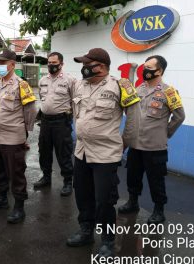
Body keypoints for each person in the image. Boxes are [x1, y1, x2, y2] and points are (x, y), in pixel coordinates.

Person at [66, 48, 140, 257]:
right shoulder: (80, 85)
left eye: (88, 64)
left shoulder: (120, 86)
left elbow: (134, 118)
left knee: (104, 199)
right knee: (82, 193)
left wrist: (123, 144)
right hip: (81, 151)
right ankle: (86, 230)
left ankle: (108, 239)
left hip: (106, 154)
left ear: (102, 66)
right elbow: (77, 115)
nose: (84, 68)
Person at [118, 55, 185, 224]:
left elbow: (179, 116)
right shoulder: (138, 89)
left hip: (155, 147)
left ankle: (158, 210)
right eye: (145, 66)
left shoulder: (168, 92)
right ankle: (133, 202)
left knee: (156, 181)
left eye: (149, 67)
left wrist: (165, 133)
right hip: (136, 145)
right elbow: (131, 114)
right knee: (133, 177)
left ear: (159, 70)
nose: (145, 70)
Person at [0, 49, 37, 224]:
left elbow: (30, 111)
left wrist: (24, 132)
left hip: (13, 137)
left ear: (13, 64)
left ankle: (19, 206)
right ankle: (1, 198)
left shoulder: (21, 85)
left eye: (3, 63)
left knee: (16, 172)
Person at [34, 51, 75, 196]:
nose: (51, 65)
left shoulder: (70, 80)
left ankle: (68, 182)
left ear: (61, 64)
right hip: (45, 121)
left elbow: (75, 101)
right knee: (44, 151)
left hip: (61, 122)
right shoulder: (42, 80)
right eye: (49, 63)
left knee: (63, 152)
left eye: (54, 63)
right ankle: (46, 177)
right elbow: (42, 99)